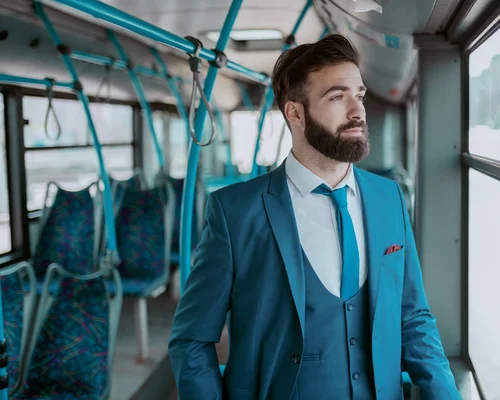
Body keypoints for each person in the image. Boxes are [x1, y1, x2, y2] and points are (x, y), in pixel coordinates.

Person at [169, 34, 461, 400]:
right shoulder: (235, 212)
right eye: (338, 97)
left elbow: (413, 317)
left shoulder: (389, 198)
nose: (357, 111)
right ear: (296, 112)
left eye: (360, 95)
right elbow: (191, 340)